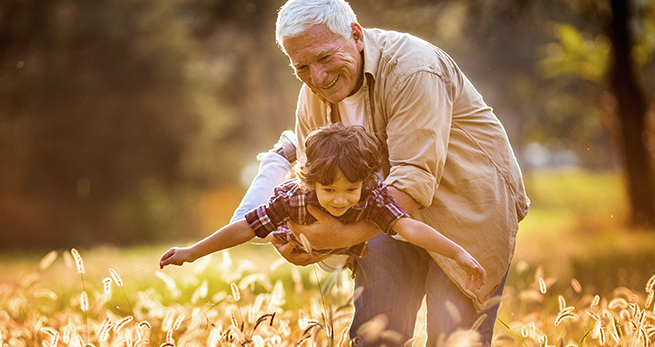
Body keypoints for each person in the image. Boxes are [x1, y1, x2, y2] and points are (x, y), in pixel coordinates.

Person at [230, 0, 529, 347]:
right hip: (383, 217)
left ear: (355, 35)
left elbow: (412, 183)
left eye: (324, 58)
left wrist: (338, 236)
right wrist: (306, 240)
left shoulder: (413, 70)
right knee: (376, 345)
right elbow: (314, 181)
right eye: (303, 67)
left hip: (466, 211)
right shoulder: (311, 96)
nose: (317, 77)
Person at [161, 123, 488, 294]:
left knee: (380, 236)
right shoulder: (293, 197)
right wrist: (192, 251)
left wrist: (457, 253)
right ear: (312, 182)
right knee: (248, 226)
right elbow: (244, 227)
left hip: (339, 243)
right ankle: (279, 156)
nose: (341, 199)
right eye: (329, 190)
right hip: (293, 231)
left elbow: (411, 228)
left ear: (364, 183)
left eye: (350, 189)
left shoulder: (371, 197)